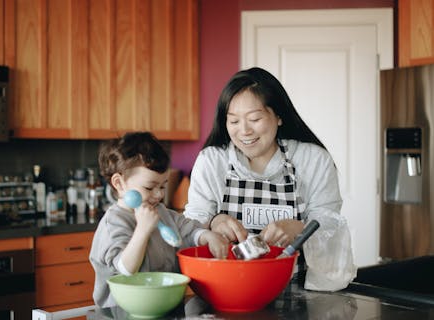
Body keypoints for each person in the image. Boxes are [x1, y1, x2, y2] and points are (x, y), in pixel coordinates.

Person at [183, 67, 356, 291]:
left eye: (254, 119)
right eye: (234, 121)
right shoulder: (212, 161)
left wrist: (300, 229)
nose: (244, 131)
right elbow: (189, 229)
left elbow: (332, 228)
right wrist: (213, 222)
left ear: (279, 116)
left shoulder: (312, 160)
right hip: (227, 288)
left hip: (298, 292)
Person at [89, 131, 229, 308]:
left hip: (165, 305)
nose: (159, 194)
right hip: (123, 312)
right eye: (149, 187)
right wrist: (142, 231)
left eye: (163, 185)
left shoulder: (162, 212)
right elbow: (125, 269)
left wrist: (206, 236)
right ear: (119, 183)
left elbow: (189, 229)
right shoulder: (114, 223)